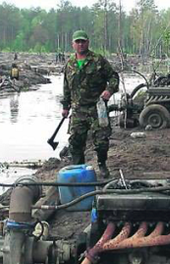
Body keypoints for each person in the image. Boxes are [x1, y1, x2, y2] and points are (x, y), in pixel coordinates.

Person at [61, 30, 119, 178]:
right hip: (78, 110)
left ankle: (102, 164)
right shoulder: (69, 64)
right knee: (75, 142)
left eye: (83, 41)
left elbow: (113, 77)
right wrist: (65, 106)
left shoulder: (98, 60)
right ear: (73, 44)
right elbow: (66, 87)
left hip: (97, 108)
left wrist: (109, 90)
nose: (80, 44)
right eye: (77, 42)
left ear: (88, 42)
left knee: (101, 141)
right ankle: (78, 170)